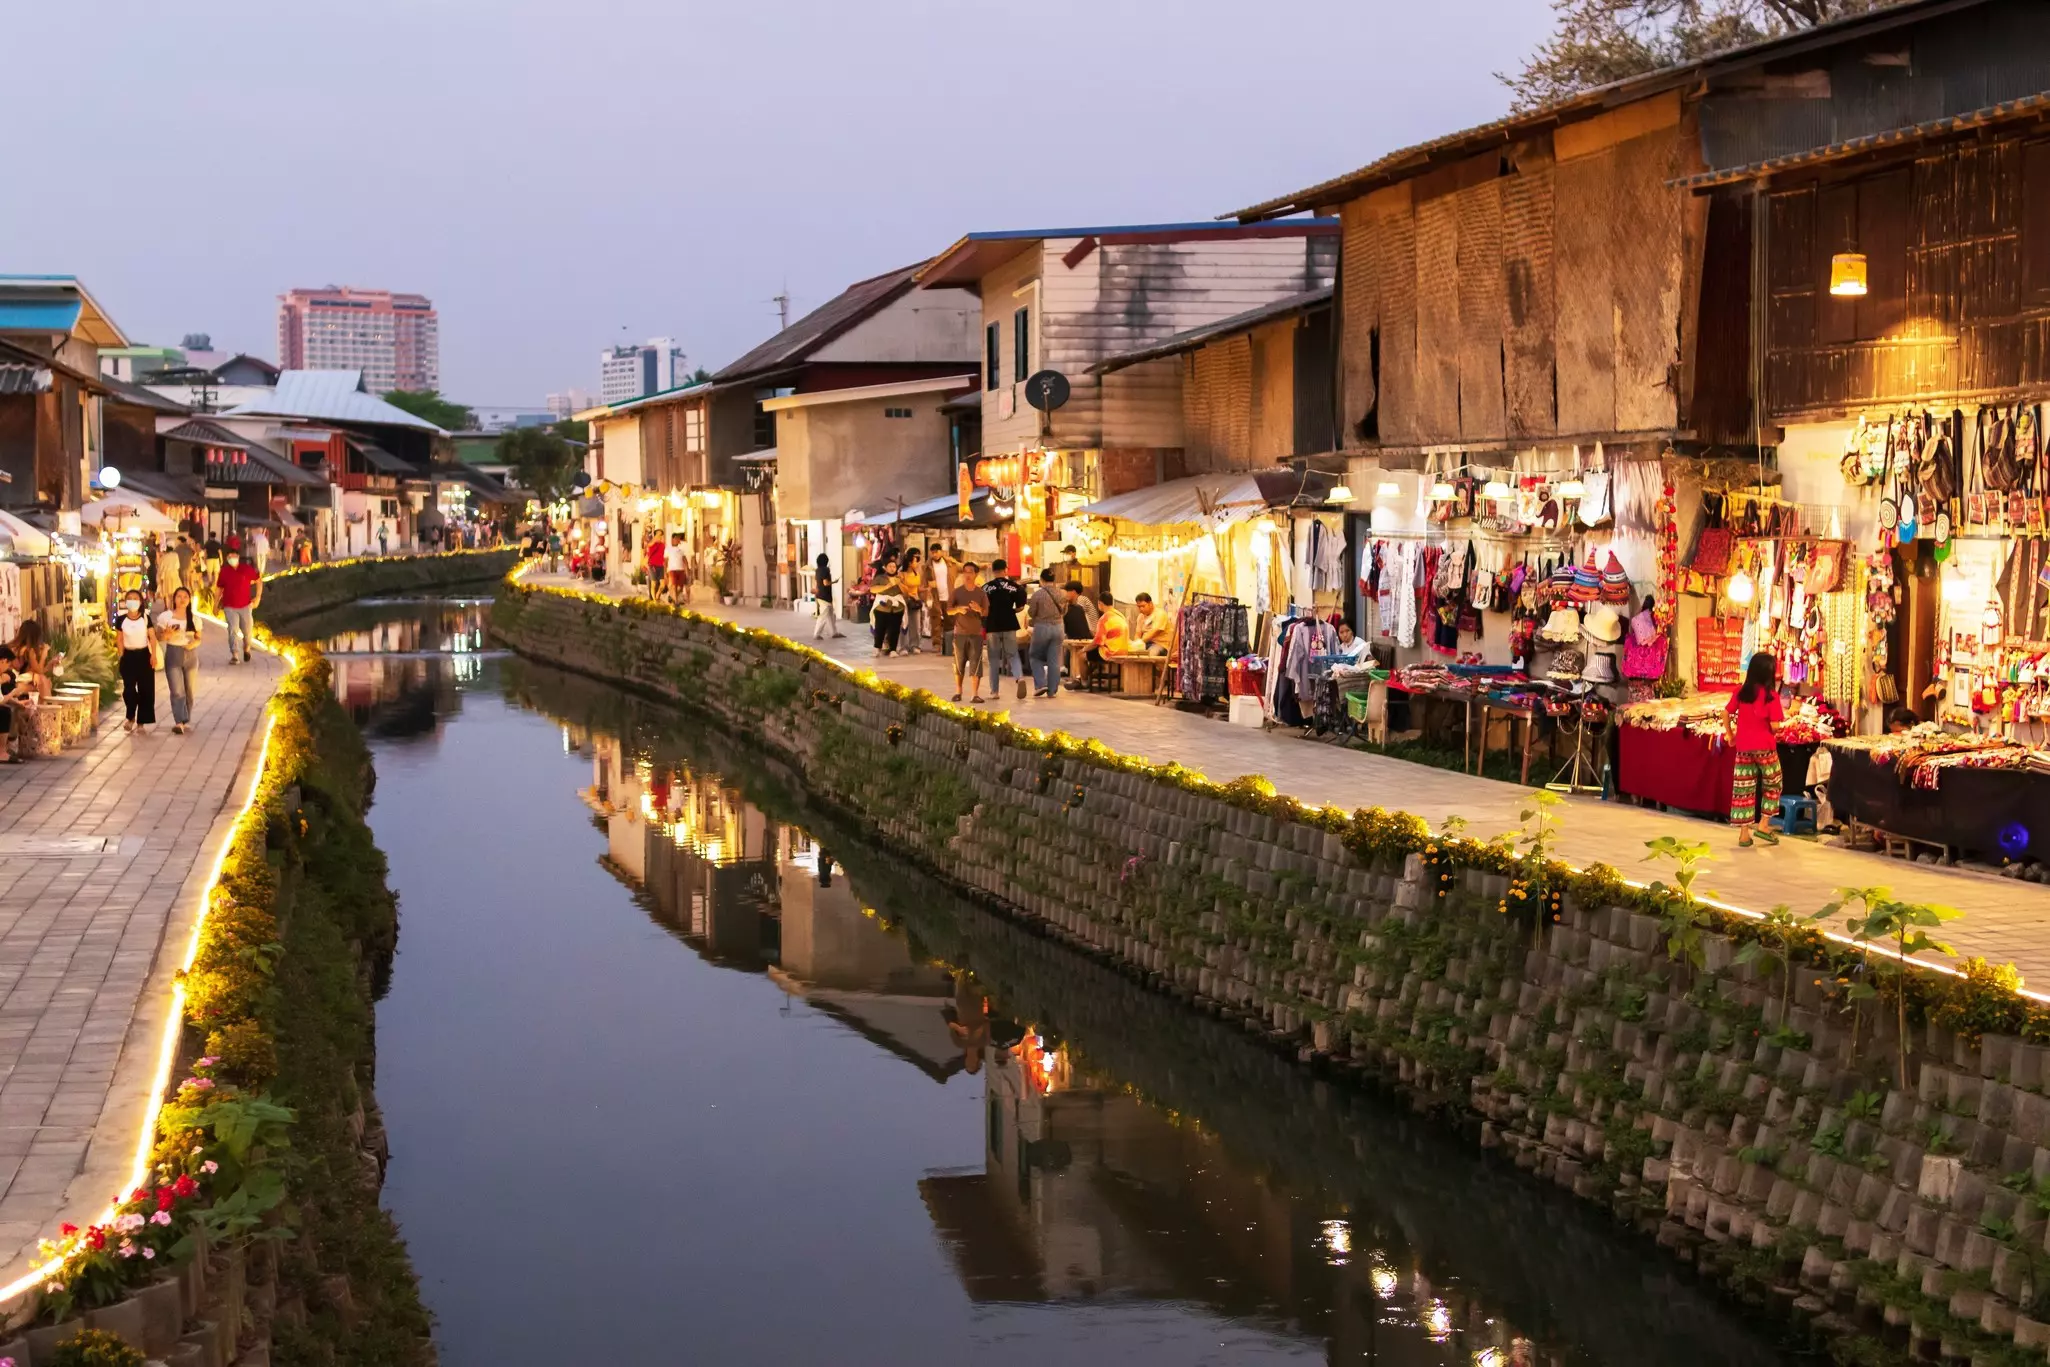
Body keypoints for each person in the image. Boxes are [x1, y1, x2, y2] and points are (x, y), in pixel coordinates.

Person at [1726, 651, 1786, 847]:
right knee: (1773, 784)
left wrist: (1730, 735)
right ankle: (1764, 824)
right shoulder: (1771, 696)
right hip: (1766, 749)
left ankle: (1744, 834)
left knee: (1744, 788)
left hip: (1743, 747)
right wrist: (1774, 728)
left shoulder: (1740, 692)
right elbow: (1775, 726)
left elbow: (1725, 713)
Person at [157, 587, 201, 735]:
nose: (182, 599)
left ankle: (185, 718)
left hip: (190, 654)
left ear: (189, 600)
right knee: (177, 690)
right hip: (173, 653)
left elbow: (198, 637)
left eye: (185, 597)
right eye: (179, 596)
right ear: (174, 599)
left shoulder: (194, 619)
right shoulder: (166, 617)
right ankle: (179, 721)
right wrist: (166, 635)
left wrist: (195, 643)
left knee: (189, 690)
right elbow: (159, 636)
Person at [982, 558, 1028, 700]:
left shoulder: (985, 587)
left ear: (993, 571)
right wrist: (1011, 611)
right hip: (1009, 623)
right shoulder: (1015, 586)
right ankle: (1019, 677)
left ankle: (994, 691)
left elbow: (982, 608)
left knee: (994, 659)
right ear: (1005, 570)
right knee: (1013, 654)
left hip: (992, 625)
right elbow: (1020, 606)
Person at [947, 560, 989, 704]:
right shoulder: (957, 592)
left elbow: (986, 613)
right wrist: (957, 609)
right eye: (965, 572)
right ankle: (958, 691)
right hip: (960, 633)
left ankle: (975, 694)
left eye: (970, 572)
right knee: (958, 663)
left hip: (976, 633)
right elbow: (948, 610)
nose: (967, 575)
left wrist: (979, 609)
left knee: (976, 663)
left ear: (976, 574)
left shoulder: (981, 593)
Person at [115, 591, 156, 733]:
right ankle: (130, 716)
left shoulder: (145, 618)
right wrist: (121, 655)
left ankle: (141, 721)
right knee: (129, 690)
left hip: (144, 655)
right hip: (128, 656)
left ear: (140, 601)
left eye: (135, 599)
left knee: (146, 690)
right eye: (129, 599)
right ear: (125, 602)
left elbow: (152, 637)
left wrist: (154, 655)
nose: (132, 601)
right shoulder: (121, 619)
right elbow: (119, 639)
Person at [216, 543, 262, 664]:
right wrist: (215, 605)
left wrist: (257, 597)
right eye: (229, 557)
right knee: (233, 629)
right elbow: (219, 589)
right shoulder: (224, 571)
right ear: (227, 558)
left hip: (245, 606)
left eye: (234, 556)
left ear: (238, 557)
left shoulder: (246, 569)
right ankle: (235, 654)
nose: (232, 559)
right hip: (229, 606)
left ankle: (246, 648)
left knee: (247, 631)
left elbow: (258, 581)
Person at [1026, 568, 1067, 698]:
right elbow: (1064, 611)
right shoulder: (1062, 594)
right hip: (1059, 627)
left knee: (1035, 656)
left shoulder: (1037, 594)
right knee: (1054, 660)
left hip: (1042, 628)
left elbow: (1031, 612)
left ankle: (1040, 684)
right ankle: (1052, 690)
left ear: (1042, 580)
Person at [10, 621, 52, 699]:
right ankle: (49, 707)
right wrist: (44, 655)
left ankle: (48, 707)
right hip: (12, 683)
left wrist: (49, 665)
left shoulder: (17, 648)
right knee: (42, 681)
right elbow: (39, 671)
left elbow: (35, 670)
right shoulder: (27, 650)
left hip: (12, 681)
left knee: (41, 681)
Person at [897, 549, 926, 654]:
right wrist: (908, 594)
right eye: (915, 561)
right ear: (909, 562)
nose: (917, 563)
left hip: (915, 601)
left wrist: (926, 590)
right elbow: (900, 588)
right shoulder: (901, 574)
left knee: (916, 624)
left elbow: (917, 588)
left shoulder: (917, 573)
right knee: (904, 624)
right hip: (905, 601)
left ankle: (915, 645)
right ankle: (903, 646)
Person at [1089, 592, 1131, 664]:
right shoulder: (1120, 615)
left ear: (1100, 603)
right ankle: (1092, 673)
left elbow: (1097, 641)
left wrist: (1083, 649)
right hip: (1124, 651)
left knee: (1082, 655)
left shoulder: (1104, 619)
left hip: (1111, 653)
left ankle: (1083, 675)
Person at [870, 578, 907, 656]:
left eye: (894, 566)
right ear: (885, 567)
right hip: (882, 607)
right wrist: (887, 586)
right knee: (880, 628)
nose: (892, 568)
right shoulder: (879, 577)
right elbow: (872, 589)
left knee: (895, 630)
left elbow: (906, 592)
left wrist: (899, 583)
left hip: (897, 607)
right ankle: (877, 647)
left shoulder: (899, 577)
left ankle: (893, 649)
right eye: (890, 566)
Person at [1129, 592, 1172, 656]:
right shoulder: (1140, 617)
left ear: (1150, 604)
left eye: (1143, 606)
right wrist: (1136, 644)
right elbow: (1138, 633)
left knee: (1150, 654)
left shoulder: (1160, 614)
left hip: (1160, 645)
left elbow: (1154, 631)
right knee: (1132, 653)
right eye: (1139, 606)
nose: (1141, 609)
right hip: (1145, 643)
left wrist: (1140, 642)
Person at [812, 553, 843, 639]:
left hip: (820, 595)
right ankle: (816, 634)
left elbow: (818, 583)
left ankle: (834, 632)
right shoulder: (825, 570)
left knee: (830, 615)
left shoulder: (817, 570)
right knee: (823, 615)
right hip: (825, 596)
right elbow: (826, 583)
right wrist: (834, 582)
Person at [646, 530, 669, 600]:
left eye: (661, 535)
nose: (660, 536)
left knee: (662, 584)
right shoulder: (651, 544)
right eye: (659, 534)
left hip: (660, 565)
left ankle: (657, 594)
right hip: (652, 565)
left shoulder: (663, 545)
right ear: (655, 535)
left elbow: (665, 556)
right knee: (654, 583)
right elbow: (649, 545)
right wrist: (655, 539)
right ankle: (654, 600)